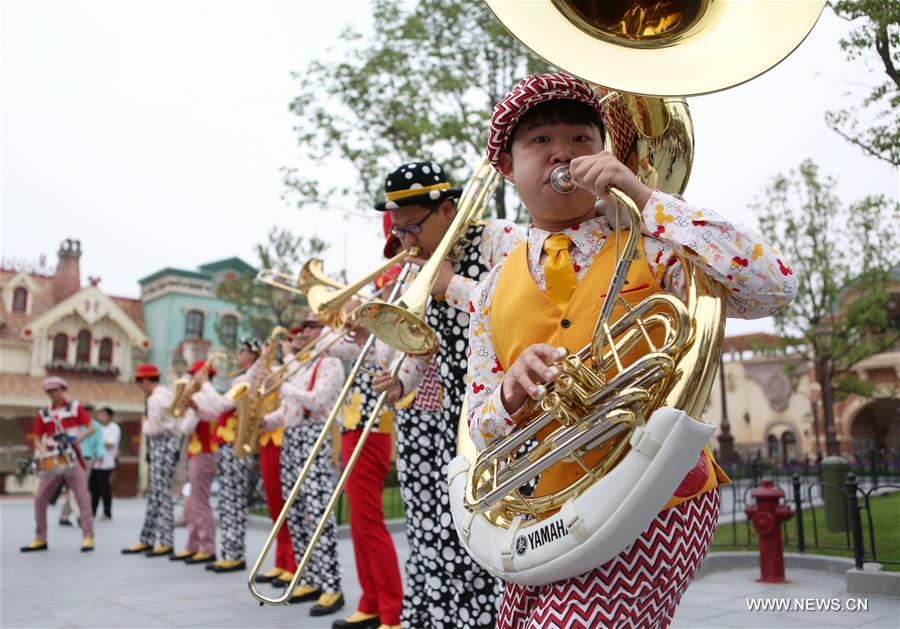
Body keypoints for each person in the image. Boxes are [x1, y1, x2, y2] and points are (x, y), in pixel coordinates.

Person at [466, 72, 798, 628]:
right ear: (506, 166)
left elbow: (774, 286)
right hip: (544, 512)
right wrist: (509, 391)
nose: (563, 154)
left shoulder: (653, 244)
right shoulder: (488, 289)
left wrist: (645, 199)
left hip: (655, 496)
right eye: (540, 141)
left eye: (581, 139)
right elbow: (480, 427)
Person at [371, 160, 523, 628]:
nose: (406, 241)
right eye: (399, 231)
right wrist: (403, 383)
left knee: (493, 530)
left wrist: (449, 285)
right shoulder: (420, 264)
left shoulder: (499, 238)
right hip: (452, 418)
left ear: (448, 209)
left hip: (507, 415)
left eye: (412, 227)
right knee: (446, 528)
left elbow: (526, 305)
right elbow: (426, 342)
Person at [262, 316, 345, 617]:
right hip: (293, 437)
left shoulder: (332, 364)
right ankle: (308, 578)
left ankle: (332, 586)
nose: (305, 333)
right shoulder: (302, 367)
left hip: (315, 434)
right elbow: (288, 410)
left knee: (318, 512)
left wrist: (283, 385)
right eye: (303, 329)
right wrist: (265, 422)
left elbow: (317, 399)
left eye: (312, 327)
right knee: (294, 510)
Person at [20, 376, 95, 553]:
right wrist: (42, 449)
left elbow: (90, 427)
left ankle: (88, 536)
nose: (52, 393)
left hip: (73, 457)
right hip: (53, 459)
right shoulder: (44, 413)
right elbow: (37, 437)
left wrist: (78, 438)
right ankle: (40, 538)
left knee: (83, 497)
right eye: (49, 391)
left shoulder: (75, 407)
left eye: (55, 389)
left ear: (62, 389)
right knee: (40, 498)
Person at [207, 338, 262, 573]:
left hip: (235, 442)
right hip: (227, 441)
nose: (237, 354)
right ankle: (229, 550)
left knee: (233, 499)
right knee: (227, 498)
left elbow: (222, 405)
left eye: (242, 351)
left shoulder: (246, 379)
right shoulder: (240, 378)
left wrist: (205, 386)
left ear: (252, 356)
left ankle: (234, 552)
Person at [122, 363, 180, 557]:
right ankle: (148, 538)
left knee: (161, 495)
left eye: (140, 382)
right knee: (156, 494)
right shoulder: (165, 395)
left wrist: (144, 425)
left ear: (146, 381)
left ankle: (164, 540)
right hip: (165, 447)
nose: (140, 386)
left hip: (161, 446)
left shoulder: (156, 399)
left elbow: (154, 428)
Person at [170, 360, 224, 565]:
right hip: (199, 451)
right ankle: (194, 544)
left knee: (199, 501)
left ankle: (206, 546)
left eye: (195, 375)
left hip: (203, 452)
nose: (192, 379)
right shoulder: (203, 396)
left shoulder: (203, 396)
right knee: (194, 500)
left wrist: (188, 410)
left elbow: (186, 428)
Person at [90, 406, 120, 519]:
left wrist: (98, 443)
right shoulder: (96, 427)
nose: (101, 417)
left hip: (106, 462)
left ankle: (107, 512)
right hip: (94, 461)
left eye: (104, 414)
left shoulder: (114, 428)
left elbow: (110, 444)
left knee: (104, 488)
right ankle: (92, 511)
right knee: (94, 489)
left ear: (110, 416)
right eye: (100, 414)